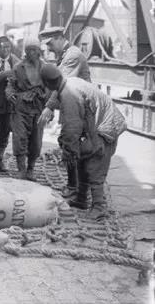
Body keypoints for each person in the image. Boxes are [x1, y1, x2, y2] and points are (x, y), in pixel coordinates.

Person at [40, 64, 127, 220]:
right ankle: (81, 199)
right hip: (98, 125)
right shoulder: (69, 81)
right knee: (82, 157)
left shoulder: (69, 95)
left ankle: (99, 207)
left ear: (48, 84)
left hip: (105, 129)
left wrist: (68, 151)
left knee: (95, 166)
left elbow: (71, 128)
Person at [38, 26, 92, 198]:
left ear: (60, 37)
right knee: (69, 143)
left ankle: (76, 188)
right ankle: (75, 186)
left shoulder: (73, 56)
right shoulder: (65, 55)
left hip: (80, 109)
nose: (49, 48)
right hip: (73, 105)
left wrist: (49, 106)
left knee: (72, 144)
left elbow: (60, 82)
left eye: (50, 43)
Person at [6, 38, 48, 181]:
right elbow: (10, 84)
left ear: (39, 52)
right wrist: (10, 94)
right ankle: (21, 169)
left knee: (36, 141)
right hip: (21, 107)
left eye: (34, 50)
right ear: (25, 51)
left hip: (39, 107)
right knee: (20, 138)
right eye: (28, 49)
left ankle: (30, 169)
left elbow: (52, 88)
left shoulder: (45, 68)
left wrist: (50, 109)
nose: (31, 52)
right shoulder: (18, 67)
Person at [0, 36, 20, 171]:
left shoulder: (16, 62)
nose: (5, 50)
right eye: (2, 47)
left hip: (9, 104)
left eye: (8, 47)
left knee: (5, 131)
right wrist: (1, 75)